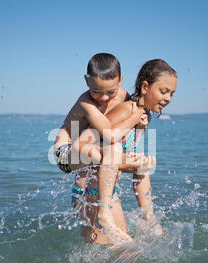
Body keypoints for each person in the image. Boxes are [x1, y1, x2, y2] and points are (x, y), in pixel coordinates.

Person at [54, 53, 155, 242]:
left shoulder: (124, 96)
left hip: (89, 148)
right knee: (114, 151)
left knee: (138, 164)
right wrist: (135, 117)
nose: (103, 97)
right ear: (86, 81)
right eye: (96, 92)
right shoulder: (86, 102)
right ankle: (103, 212)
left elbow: (126, 129)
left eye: (110, 91)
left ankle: (148, 217)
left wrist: (143, 120)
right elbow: (109, 134)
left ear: (120, 80)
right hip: (66, 152)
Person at [78, 58, 177, 244]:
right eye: (163, 91)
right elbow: (86, 144)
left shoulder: (143, 115)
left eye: (172, 93)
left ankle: (148, 216)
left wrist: (135, 162)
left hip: (107, 192)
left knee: (123, 251)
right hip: (89, 190)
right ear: (145, 87)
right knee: (100, 258)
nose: (168, 98)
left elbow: (115, 161)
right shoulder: (127, 110)